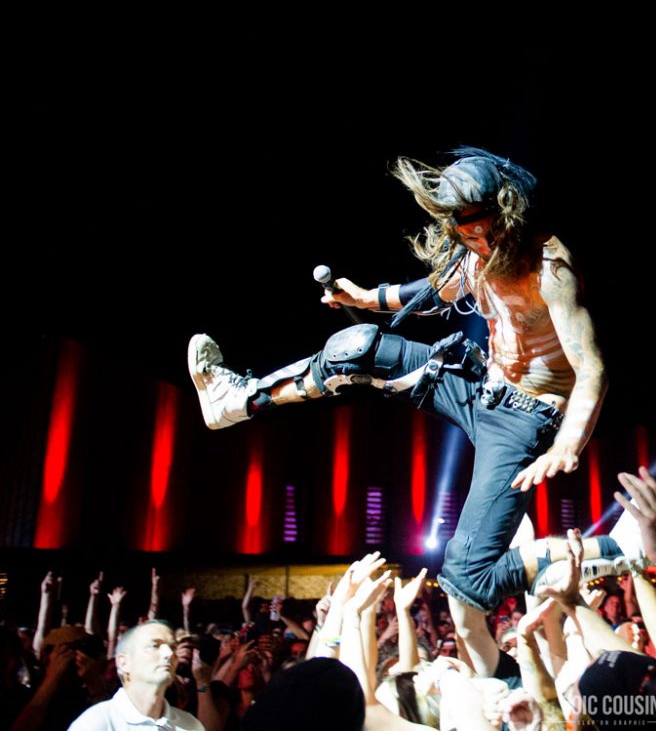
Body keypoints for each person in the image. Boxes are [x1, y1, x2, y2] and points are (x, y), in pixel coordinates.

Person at [188, 147, 617, 618]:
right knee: (357, 347)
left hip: (525, 419)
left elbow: (592, 368)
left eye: (484, 227)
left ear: (506, 211)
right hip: (479, 388)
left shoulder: (550, 266)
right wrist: (364, 298)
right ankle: (236, 400)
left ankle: (616, 550)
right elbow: (433, 292)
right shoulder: (473, 257)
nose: (477, 239)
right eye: (465, 229)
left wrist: (568, 445)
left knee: (466, 577)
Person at [67, 621, 204, 730]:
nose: (169, 654)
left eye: (173, 647)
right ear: (123, 662)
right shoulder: (96, 723)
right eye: (155, 646)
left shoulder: (191, 725)